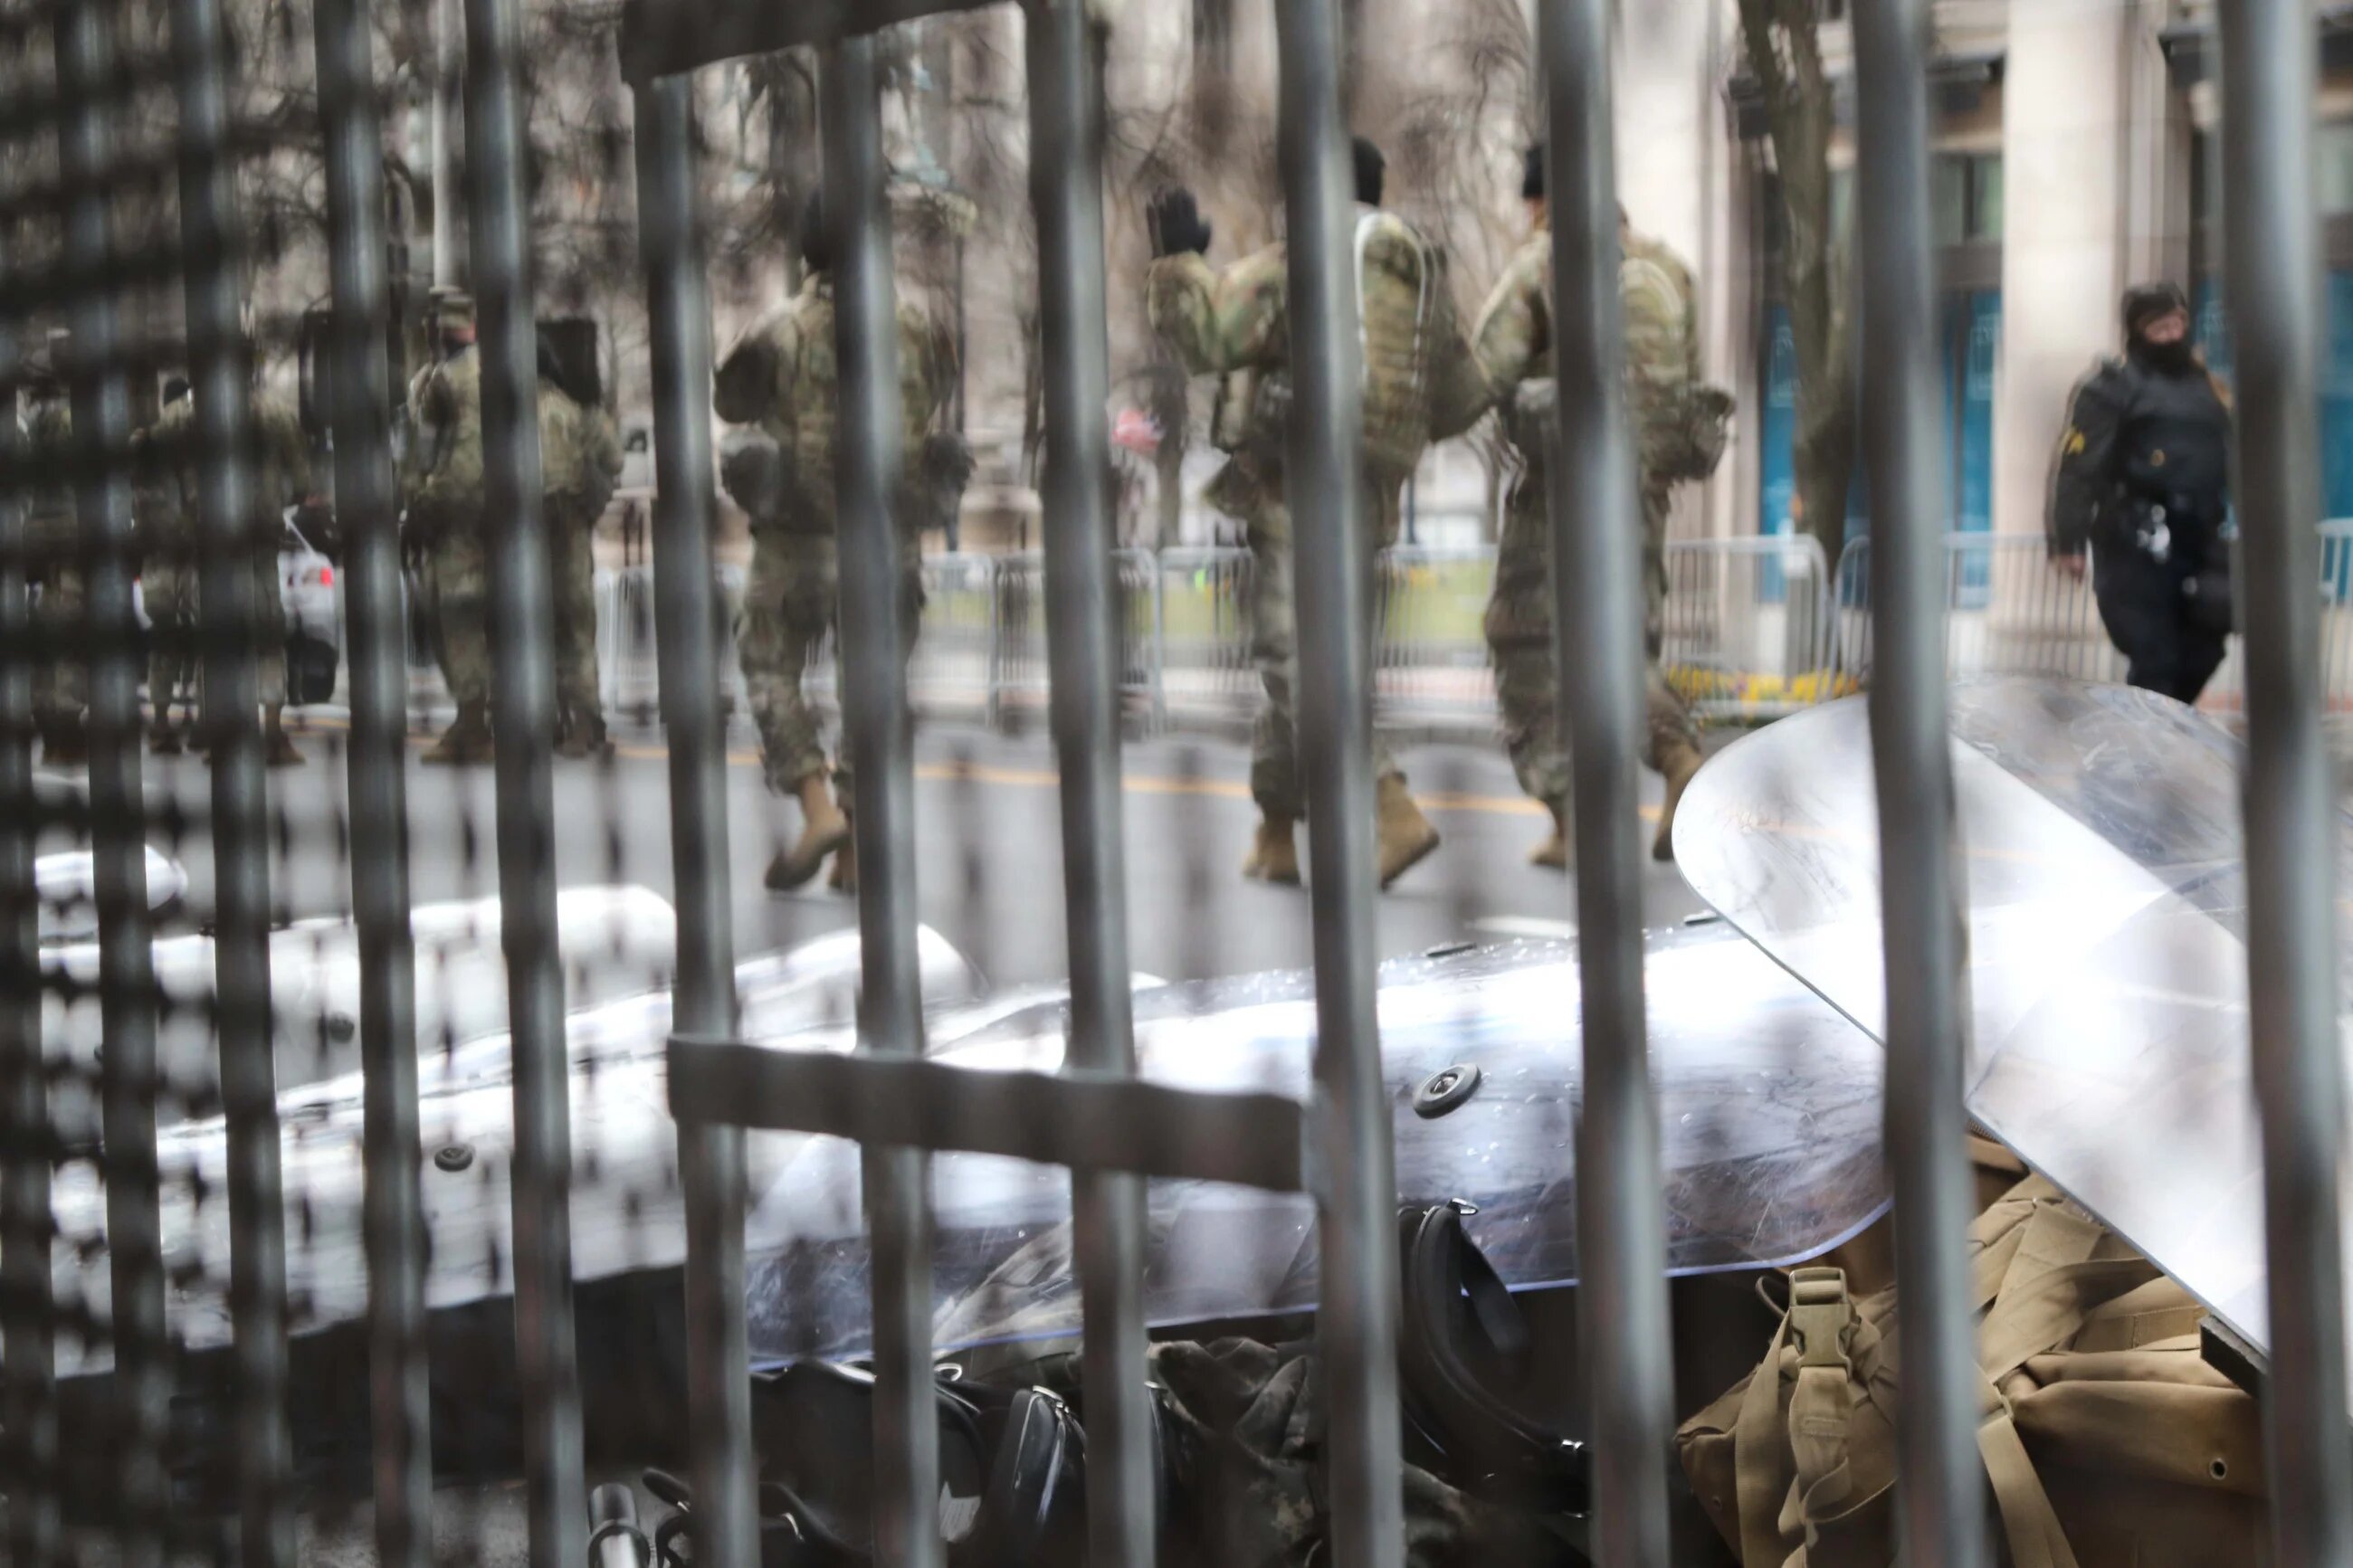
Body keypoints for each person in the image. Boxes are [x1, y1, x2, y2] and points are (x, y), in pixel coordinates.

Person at [1145, 136, 1482, 889]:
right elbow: (1460, 399)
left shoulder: (1302, 257)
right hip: (1371, 500)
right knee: (1301, 666)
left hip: (1294, 490)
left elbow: (1210, 337)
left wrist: (1177, 263)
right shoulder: (1418, 273)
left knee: (1299, 661)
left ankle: (1391, 806)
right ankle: (1274, 831)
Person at [1469, 146, 1728, 866]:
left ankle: (1570, 812)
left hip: (1559, 495)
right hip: (1642, 494)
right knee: (1622, 649)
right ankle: (1676, 765)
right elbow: (1685, 390)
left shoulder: (1545, 261)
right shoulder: (1668, 270)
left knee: (1520, 640)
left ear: (1538, 201)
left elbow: (1482, 375)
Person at [714, 192, 962, 894]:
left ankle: (817, 806)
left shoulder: (782, 329)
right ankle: (855, 849)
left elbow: (731, 402)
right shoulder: (919, 329)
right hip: (887, 541)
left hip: (800, 541)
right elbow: (938, 395)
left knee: (766, 666)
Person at [2047, 281, 2234, 705]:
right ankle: (2144, 758)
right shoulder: (2110, 388)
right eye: (2160, 327)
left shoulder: (2208, 388)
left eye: (2178, 323)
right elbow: (2077, 467)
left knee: (2207, 643)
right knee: (2156, 656)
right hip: (2135, 541)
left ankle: (2160, 734)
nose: (2172, 335)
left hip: (2201, 537)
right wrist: (2068, 539)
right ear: (2138, 331)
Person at [135, 368, 316, 766]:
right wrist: (273, 497)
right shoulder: (275, 413)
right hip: (258, 540)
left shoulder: (181, 417)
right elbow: (302, 481)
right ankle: (271, 730)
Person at [405, 288, 494, 764]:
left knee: (455, 618)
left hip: (457, 521)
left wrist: (418, 508)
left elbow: (427, 458)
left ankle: (472, 722)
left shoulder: (441, 382)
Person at [538, 318, 624, 759]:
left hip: (529, 531)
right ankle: (586, 721)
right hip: (570, 526)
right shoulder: (581, 412)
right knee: (575, 629)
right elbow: (614, 459)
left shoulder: (516, 413)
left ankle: (559, 720)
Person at [21, 344, 85, 766]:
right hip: (69, 533)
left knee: (45, 635)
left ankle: (47, 726)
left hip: (33, 535)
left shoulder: (25, 429)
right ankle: (65, 732)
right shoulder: (70, 423)